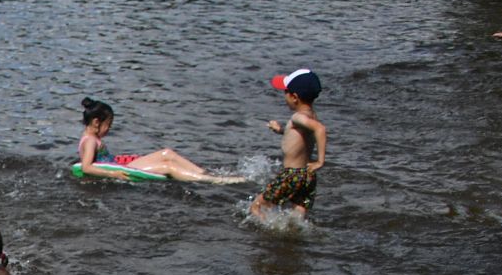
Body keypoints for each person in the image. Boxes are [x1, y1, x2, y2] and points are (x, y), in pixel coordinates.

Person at [76, 97, 243, 183]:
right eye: (108, 124)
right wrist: (114, 174)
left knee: (167, 152)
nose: (109, 129)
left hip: (119, 164)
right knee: (167, 166)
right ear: (96, 122)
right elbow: (87, 167)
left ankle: (204, 173)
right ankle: (212, 180)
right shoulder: (90, 140)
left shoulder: (91, 138)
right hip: (119, 169)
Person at [252, 70, 329, 219]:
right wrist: (280, 129)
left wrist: (320, 161)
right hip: (307, 175)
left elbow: (320, 129)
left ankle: (269, 236)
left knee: (256, 207)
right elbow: (299, 136)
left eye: (285, 92)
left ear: (294, 97)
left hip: (291, 175)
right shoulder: (311, 115)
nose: (284, 96)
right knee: (297, 214)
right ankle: (294, 237)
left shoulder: (297, 117)